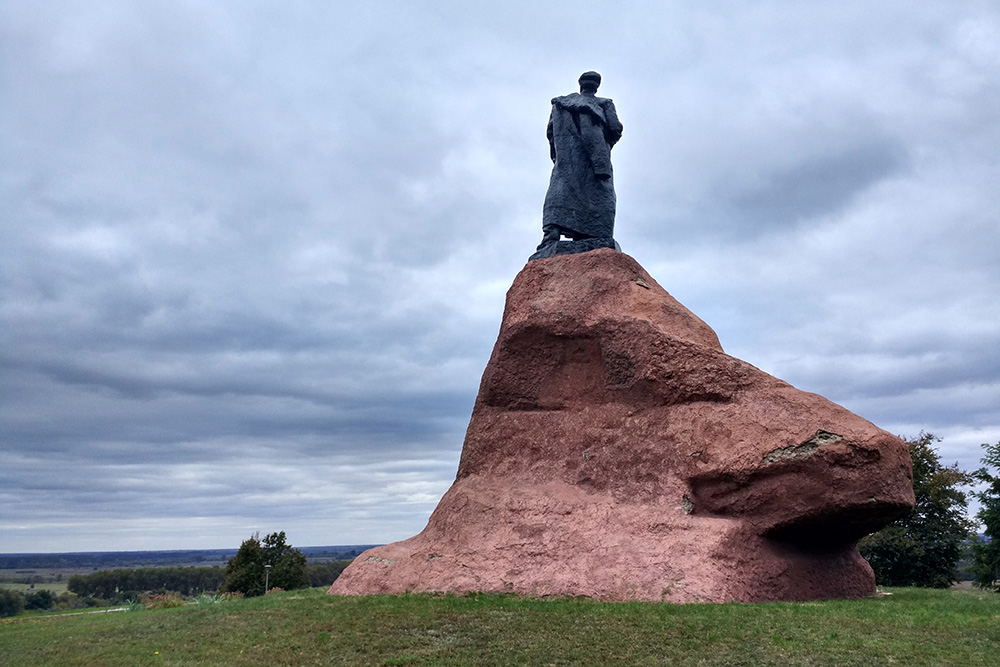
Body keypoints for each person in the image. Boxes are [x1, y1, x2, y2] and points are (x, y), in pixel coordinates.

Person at [534, 71, 623, 256]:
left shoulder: (560, 105)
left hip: (566, 159)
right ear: (596, 86)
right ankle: (595, 235)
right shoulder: (604, 103)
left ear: (580, 85)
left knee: (561, 191)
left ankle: (551, 235)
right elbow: (615, 129)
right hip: (595, 162)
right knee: (599, 194)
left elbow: (550, 132)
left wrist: (558, 155)